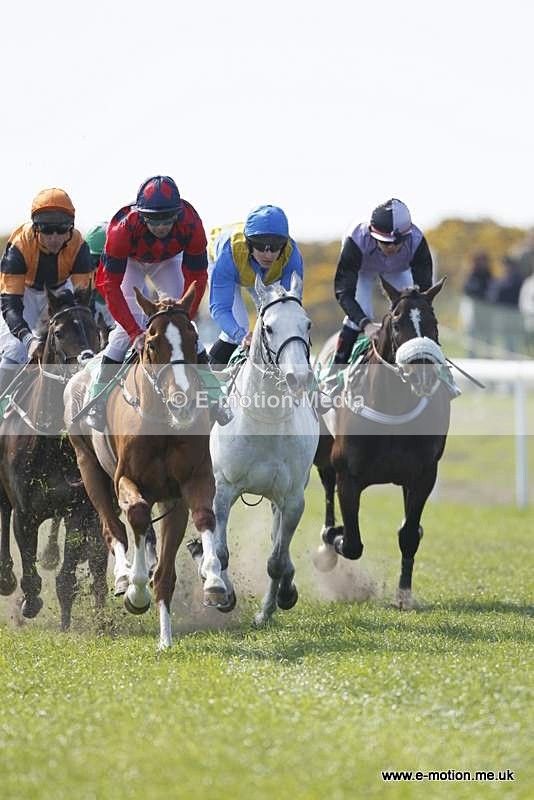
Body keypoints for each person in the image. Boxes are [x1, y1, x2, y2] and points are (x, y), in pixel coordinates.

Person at [86, 175, 229, 431]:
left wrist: (186, 317)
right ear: (141, 215)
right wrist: (134, 333)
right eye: (153, 219)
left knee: (184, 329)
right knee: (122, 333)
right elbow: (110, 286)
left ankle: (215, 395)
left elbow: (197, 277)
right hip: (130, 261)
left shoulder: (191, 222)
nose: (161, 226)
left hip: (168, 260)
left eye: (167, 220)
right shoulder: (122, 228)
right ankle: (98, 398)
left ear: (178, 213)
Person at [0, 188, 93, 394]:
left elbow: (84, 304)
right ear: (35, 229)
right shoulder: (19, 247)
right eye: (47, 229)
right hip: (24, 294)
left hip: (60, 291)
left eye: (61, 229)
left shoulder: (80, 246)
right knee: (17, 350)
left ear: (71, 229)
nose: (54, 237)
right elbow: (11, 306)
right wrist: (28, 339)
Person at [332, 198, 433, 363]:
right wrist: (366, 324)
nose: (391, 248)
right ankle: (336, 368)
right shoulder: (356, 239)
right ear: (373, 235)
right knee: (362, 310)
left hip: (398, 270)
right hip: (363, 270)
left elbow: (424, 296)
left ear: (407, 236)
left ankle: (434, 365)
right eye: (385, 243)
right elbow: (344, 293)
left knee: (411, 310)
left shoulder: (417, 241)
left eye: (397, 243)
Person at [208, 205, 303, 366]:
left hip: (263, 275)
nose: (268, 254)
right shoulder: (228, 253)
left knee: (278, 321)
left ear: (284, 244)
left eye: (275, 246)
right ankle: (208, 380)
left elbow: (289, 307)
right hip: (229, 266)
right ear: (249, 242)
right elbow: (220, 309)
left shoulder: (291, 255)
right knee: (240, 325)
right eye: (260, 245)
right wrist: (241, 337)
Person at [85, 222, 116, 333]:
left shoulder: (136, 290)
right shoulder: (79, 295)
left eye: (107, 261)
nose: (101, 269)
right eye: (95, 262)